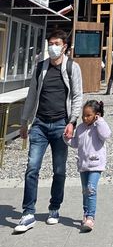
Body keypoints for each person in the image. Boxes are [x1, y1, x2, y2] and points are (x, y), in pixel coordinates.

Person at [15, 30, 83, 234]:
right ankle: (28, 212)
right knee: (32, 167)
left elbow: (78, 95)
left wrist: (72, 121)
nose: (52, 46)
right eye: (50, 43)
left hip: (62, 124)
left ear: (64, 46)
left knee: (59, 170)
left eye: (56, 43)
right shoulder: (40, 68)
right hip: (40, 124)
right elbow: (32, 95)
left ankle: (54, 207)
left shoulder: (72, 67)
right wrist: (24, 121)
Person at [64, 99, 111, 232]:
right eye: (83, 115)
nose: (85, 118)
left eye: (88, 115)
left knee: (91, 189)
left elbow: (106, 135)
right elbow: (75, 144)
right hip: (83, 164)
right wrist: (67, 138)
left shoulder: (99, 126)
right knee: (85, 190)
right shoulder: (80, 128)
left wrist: (99, 121)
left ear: (96, 114)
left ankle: (91, 216)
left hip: (96, 164)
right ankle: (86, 213)